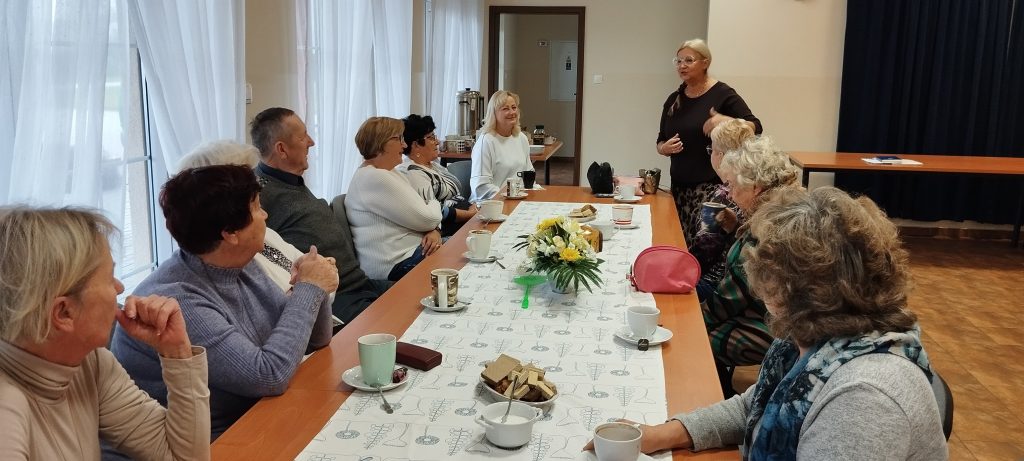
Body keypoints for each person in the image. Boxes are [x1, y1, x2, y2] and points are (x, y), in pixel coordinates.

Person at [588, 187, 947, 460]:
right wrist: (667, 432)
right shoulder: (818, 338)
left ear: (790, 287)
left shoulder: (863, 402)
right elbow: (755, 405)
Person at [110, 165, 338, 440]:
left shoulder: (238, 263)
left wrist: (313, 284)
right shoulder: (180, 300)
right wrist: (310, 288)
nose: (265, 215)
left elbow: (315, 340)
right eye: (256, 208)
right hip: (215, 441)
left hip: (262, 416)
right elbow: (269, 375)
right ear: (230, 233)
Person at [0, 206, 210, 460]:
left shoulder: (90, 361)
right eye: (110, 277)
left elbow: (182, 457)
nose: (120, 288)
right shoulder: (6, 406)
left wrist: (177, 353)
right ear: (64, 313)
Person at [250, 107, 393, 324]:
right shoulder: (259, 194)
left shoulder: (291, 181)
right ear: (282, 149)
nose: (311, 142)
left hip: (360, 283)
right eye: (303, 136)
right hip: (337, 298)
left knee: (425, 288)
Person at [702, 136, 799, 395]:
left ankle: (716, 398)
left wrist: (694, 322)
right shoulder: (785, 204)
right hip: (777, 314)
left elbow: (733, 294)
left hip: (781, 326)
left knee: (697, 341)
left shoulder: (765, 227)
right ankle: (721, 392)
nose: (730, 193)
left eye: (732, 186)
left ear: (755, 186)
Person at [656, 38, 762, 245]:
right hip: (679, 188)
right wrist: (663, 148)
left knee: (704, 248)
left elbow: (755, 126)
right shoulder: (674, 99)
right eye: (678, 61)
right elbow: (660, 139)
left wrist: (723, 119)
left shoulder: (722, 94)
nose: (682, 65)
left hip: (711, 188)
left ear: (705, 62)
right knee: (681, 243)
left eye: (689, 60)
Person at [178, 140, 315, 296]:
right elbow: (295, 306)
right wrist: (312, 284)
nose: (256, 185)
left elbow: (312, 265)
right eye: (246, 177)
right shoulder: (232, 259)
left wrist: (314, 278)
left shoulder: (260, 232)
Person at [346, 117, 443, 281]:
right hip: (394, 265)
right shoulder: (375, 177)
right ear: (381, 142)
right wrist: (434, 207)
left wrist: (434, 229)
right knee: (463, 252)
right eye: (399, 139)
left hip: (410, 252)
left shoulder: (388, 172)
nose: (404, 145)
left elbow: (427, 217)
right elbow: (428, 217)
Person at [688, 119, 755, 298]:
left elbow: (706, 250)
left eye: (711, 150)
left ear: (721, 155)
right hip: (736, 285)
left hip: (716, 285)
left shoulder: (724, 196)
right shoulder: (747, 188)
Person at [398, 114, 477, 236]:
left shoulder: (433, 165)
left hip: (464, 222)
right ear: (416, 145)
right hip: (447, 232)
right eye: (431, 137)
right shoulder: (413, 172)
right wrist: (469, 215)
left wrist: (473, 207)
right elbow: (434, 212)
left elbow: (457, 195)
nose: (437, 141)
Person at [469, 90, 534, 201]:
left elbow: (529, 175)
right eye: (505, 109)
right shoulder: (486, 142)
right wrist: (508, 196)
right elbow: (481, 187)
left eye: (514, 107)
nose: (512, 112)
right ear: (494, 113)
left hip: (517, 200)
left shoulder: (521, 138)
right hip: (490, 204)